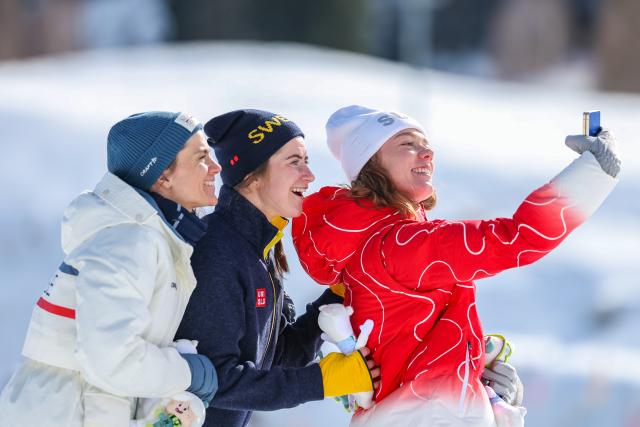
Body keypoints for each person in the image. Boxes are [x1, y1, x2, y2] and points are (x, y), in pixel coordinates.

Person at [292, 105, 620, 426]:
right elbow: (517, 237)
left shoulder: (375, 247)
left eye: (426, 145)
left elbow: (408, 345)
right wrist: (595, 172)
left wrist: (476, 367)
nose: (426, 153)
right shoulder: (403, 244)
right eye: (407, 144)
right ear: (370, 165)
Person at [0, 112, 221, 426]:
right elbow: (111, 359)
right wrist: (187, 372)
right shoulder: (129, 242)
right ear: (163, 175)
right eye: (201, 157)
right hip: (60, 411)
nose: (216, 167)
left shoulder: (153, 240)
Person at [176, 109, 378, 427]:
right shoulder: (218, 253)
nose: (309, 175)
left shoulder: (258, 251)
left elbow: (282, 355)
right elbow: (217, 379)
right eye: (293, 162)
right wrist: (322, 381)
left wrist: (340, 293)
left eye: (306, 161)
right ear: (251, 176)